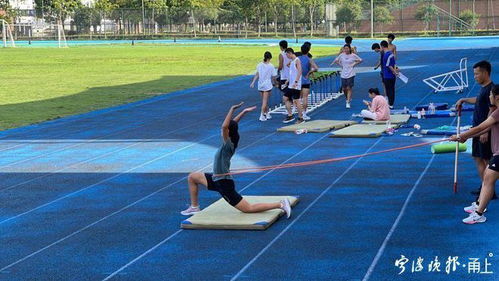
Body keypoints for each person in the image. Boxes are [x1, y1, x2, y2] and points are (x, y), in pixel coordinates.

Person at [181, 102, 292, 218]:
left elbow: (224, 126)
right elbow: (231, 125)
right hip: (216, 179)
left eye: (226, 130)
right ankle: (194, 207)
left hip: (224, 183)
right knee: (193, 177)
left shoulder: (228, 145)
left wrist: (231, 109)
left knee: (248, 209)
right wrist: (243, 112)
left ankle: (280, 204)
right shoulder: (230, 140)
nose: (223, 131)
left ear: (228, 132)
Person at [450, 84, 499, 224]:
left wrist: (461, 135)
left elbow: (481, 126)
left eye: (491, 95)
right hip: (497, 153)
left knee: (488, 180)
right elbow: (485, 129)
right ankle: (479, 207)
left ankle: (479, 213)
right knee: (487, 180)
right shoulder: (496, 112)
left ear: (497, 97)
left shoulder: (497, 112)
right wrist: (465, 137)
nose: (489, 97)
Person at [455, 60, 496, 198]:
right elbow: (478, 100)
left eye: (477, 74)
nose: (475, 77)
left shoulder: (491, 90)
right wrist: (464, 99)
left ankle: (488, 188)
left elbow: (492, 110)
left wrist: (485, 132)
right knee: (479, 158)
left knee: (485, 160)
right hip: (479, 129)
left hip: (483, 130)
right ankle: (485, 186)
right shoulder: (484, 88)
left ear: (485, 73)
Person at [332, 44, 363, 109]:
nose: (346, 50)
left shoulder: (353, 55)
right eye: (345, 48)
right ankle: (347, 98)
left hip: (351, 73)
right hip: (343, 73)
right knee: (344, 88)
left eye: (347, 48)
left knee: (349, 88)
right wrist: (340, 65)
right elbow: (336, 60)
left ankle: (348, 102)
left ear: (349, 49)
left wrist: (353, 64)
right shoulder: (341, 55)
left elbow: (360, 60)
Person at [250, 51, 276, 121]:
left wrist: (253, 82)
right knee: (265, 101)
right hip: (267, 85)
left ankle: (267, 113)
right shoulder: (271, 66)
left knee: (264, 100)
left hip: (260, 85)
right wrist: (275, 83)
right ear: (270, 58)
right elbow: (274, 76)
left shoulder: (259, 65)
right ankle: (262, 115)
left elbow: (257, 74)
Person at [282, 48, 305, 123]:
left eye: (287, 54)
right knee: (285, 98)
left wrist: (296, 81)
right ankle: (290, 115)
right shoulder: (292, 61)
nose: (287, 56)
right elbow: (291, 73)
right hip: (291, 85)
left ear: (290, 53)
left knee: (296, 101)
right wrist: (287, 81)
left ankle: (301, 118)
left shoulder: (297, 60)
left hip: (296, 85)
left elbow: (300, 71)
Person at [298, 44, 319, 121]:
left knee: (298, 98)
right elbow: (316, 68)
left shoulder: (297, 59)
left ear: (301, 50)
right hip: (306, 80)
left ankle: (299, 113)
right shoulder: (309, 59)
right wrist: (309, 72)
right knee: (305, 97)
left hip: (298, 80)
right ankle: (304, 114)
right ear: (308, 50)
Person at [381, 40, 398, 108]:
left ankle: (390, 104)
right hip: (391, 75)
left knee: (389, 90)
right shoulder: (391, 54)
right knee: (392, 89)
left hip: (388, 75)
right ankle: (391, 103)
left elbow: (389, 65)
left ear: (382, 46)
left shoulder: (387, 55)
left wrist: (394, 71)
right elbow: (393, 64)